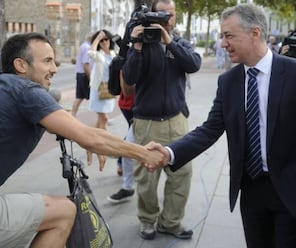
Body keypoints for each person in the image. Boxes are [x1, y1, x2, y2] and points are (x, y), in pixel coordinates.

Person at [0, 32, 165, 248]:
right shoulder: (25, 91)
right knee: (63, 212)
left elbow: (72, 126)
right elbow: (89, 136)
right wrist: (144, 153)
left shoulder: (0, 85)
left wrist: (82, 136)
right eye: (47, 60)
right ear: (21, 65)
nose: (55, 67)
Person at [147, 4, 296, 248]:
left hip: (295, 191)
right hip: (252, 192)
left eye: (229, 35)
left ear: (255, 33)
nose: (223, 43)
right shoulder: (228, 82)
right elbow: (210, 129)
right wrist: (169, 152)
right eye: (222, 36)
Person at [122, 0, 202, 240]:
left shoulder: (179, 43)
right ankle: (147, 220)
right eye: (162, 13)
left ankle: (170, 222)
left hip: (177, 119)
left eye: (171, 13)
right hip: (147, 121)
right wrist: (136, 45)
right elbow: (129, 77)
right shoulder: (141, 43)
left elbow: (193, 64)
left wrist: (168, 41)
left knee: (182, 174)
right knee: (147, 177)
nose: (167, 17)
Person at [86, 29, 117, 167]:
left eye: (106, 39)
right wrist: (97, 39)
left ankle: (88, 141)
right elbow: (90, 53)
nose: (105, 42)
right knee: (104, 118)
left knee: (100, 121)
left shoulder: (113, 54)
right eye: (102, 40)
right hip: (98, 91)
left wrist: (107, 49)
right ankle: (104, 148)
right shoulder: (98, 55)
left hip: (109, 91)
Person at [108, 72, 135, 203]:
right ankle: (127, 185)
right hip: (132, 105)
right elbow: (127, 89)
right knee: (130, 143)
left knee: (131, 142)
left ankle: (121, 165)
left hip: (132, 105)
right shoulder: (130, 55)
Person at [71, 32, 92, 117]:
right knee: (96, 96)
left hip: (80, 74)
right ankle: (102, 117)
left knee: (80, 96)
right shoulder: (87, 48)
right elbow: (85, 64)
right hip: (84, 74)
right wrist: (90, 77)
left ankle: (72, 115)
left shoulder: (83, 45)